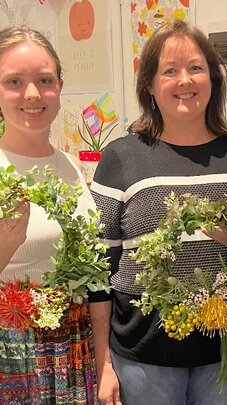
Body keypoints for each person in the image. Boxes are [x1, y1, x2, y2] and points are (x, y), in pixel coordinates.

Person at [89, 19, 227, 405]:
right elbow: (99, 268)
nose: (185, 80)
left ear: (213, 78)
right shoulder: (120, 158)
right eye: (170, 70)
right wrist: (104, 363)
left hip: (223, 352)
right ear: (149, 85)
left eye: (196, 68)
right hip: (144, 357)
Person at [0, 26, 97, 404]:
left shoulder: (71, 166)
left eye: (44, 80)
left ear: (59, 85)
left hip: (73, 347)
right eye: (13, 81)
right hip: (13, 353)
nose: (31, 94)